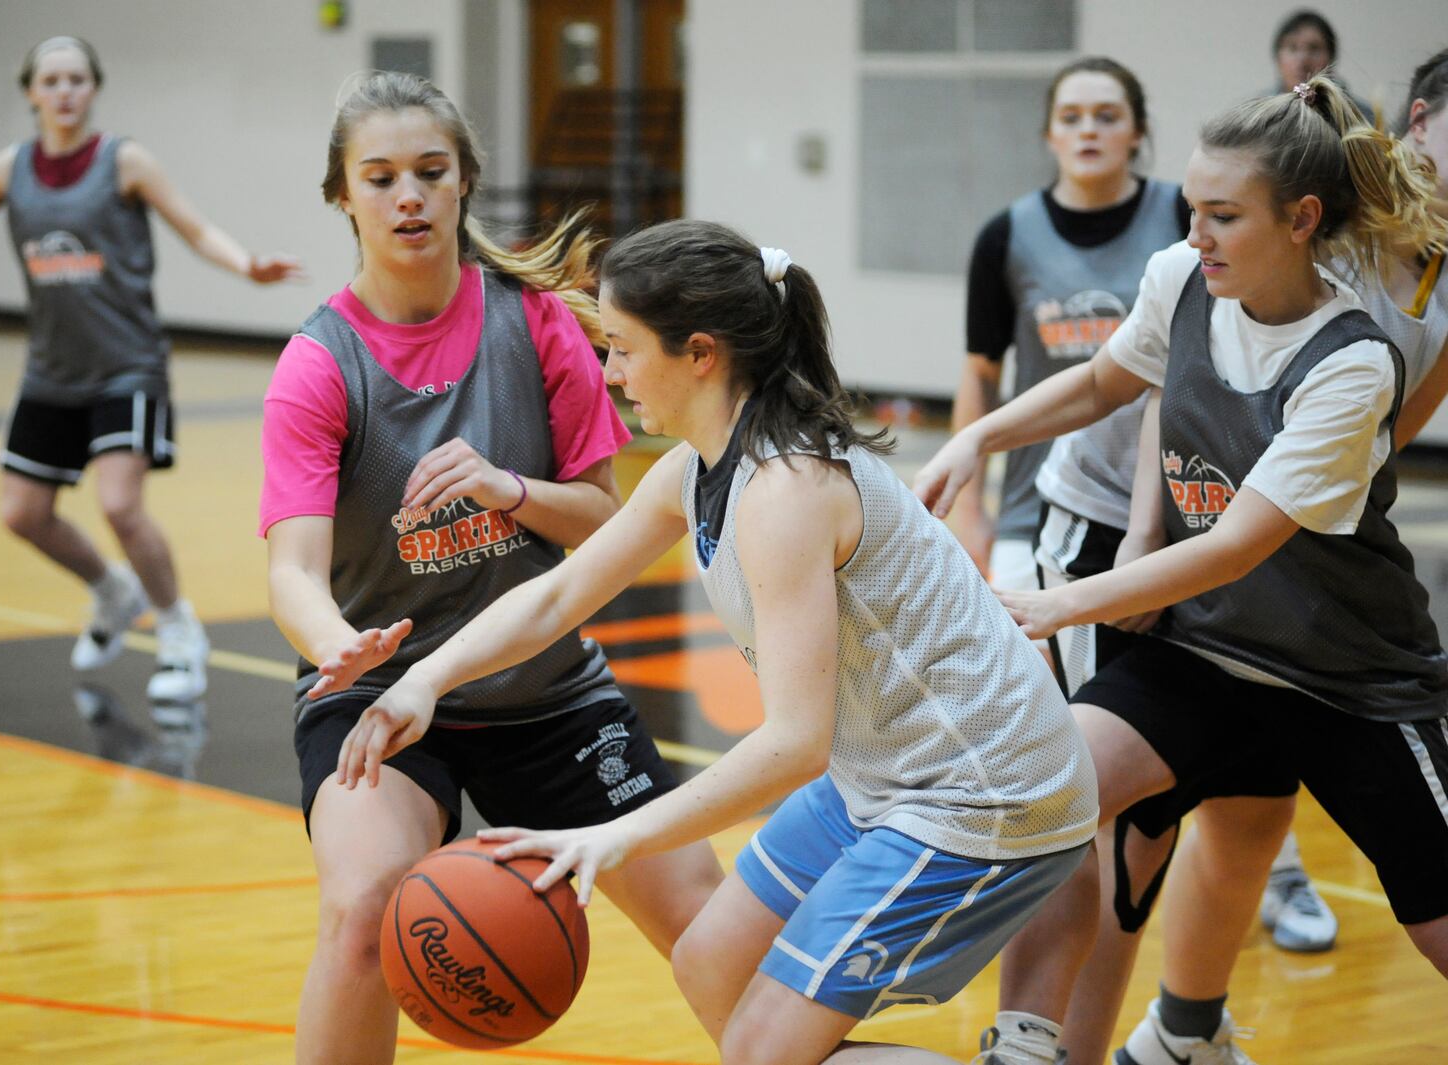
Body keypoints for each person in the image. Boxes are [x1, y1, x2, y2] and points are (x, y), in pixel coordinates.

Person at [327, 218, 1099, 1065]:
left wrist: (612, 834)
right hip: (883, 772)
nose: (609, 371)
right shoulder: (696, 466)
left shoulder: (787, 491)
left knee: (765, 1049)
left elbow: (794, 743)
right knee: (709, 961)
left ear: (700, 353)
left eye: (621, 348)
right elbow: (556, 596)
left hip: (981, 792)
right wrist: (424, 680)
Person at [915, 75, 1448, 1065]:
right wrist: (975, 440)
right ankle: (1029, 1045)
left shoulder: (1352, 358)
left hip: (1344, 674)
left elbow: (1235, 545)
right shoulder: (1182, 279)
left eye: (1221, 216)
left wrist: (1044, 604)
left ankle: (1180, 1033)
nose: (1194, 233)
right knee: (1045, 789)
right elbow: (1104, 383)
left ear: (1300, 219)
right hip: (1207, 647)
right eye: (1193, 210)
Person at [260, 72, 724, 1065]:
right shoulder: (318, 362)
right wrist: (339, 648)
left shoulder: (537, 321)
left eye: (429, 172)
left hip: (544, 693)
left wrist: (507, 489)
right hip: (383, 697)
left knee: (709, 921)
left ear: (466, 181)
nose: (408, 197)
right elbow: (293, 570)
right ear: (343, 196)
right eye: (379, 178)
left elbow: (604, 518)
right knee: (361, 906)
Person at [0, 35, 301, 700]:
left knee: (120, 502)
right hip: (52, 371)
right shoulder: (9, 170)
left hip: (128, 366)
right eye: (52, 80)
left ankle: (179, 629)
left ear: (93, 88)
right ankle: (112, 590)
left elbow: (197, 230)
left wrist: (245, 264)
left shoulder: (126, 160)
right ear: (31, 91)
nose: (65, 92)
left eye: (77, 80)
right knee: (22, 514)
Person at [951, 59, 1188, 591]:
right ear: (1049, 134)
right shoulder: (1005, 236)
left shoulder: (1183, 216)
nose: (1088, 130)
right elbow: (980, 376)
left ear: (1137, 132)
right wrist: (971, 512)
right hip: (1031, 506)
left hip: (1157, 506)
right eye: (1071, 117)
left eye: (1106, 116)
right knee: (1028, 672)